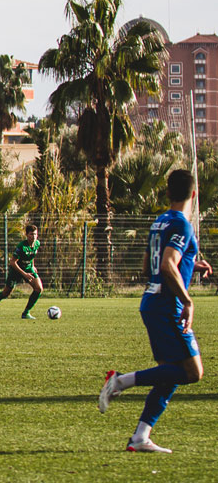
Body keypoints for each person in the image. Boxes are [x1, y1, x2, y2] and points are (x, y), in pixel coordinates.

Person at [98, 168, 206, 453]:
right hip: (168, 306)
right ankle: (121, 380)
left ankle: (140, 437)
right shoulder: (183, 225)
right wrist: (188, 300)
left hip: (152, 302)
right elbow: (168, 265)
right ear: (193, 194)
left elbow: (149, 266)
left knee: (170, 372)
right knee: (193, 372)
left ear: (168, 192)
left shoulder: (159, 221)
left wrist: (191, 264)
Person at [0, 221, 43, 320]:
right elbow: (13, 262)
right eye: (31, 234)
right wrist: (24, 274)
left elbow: (31, 256)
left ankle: (26, 313)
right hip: (16, 271)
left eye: (35, 234)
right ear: (27, 235)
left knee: (39, 289)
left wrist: (33, 266)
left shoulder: (37, 244)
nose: (34, 236)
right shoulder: (21, 247)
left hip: (28, 269)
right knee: (6, 293)